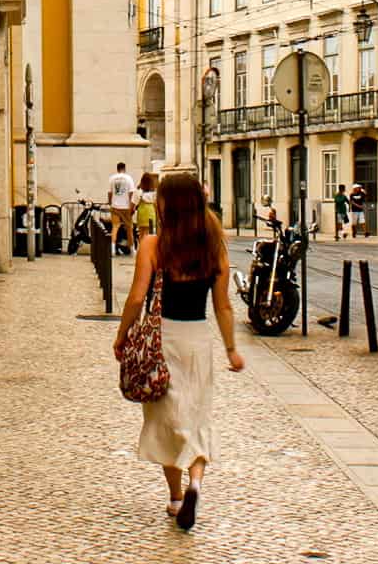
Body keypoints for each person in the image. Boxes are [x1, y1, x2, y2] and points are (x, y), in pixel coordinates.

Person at [112, 171, 244, 531]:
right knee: (196, 417)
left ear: (169, 206)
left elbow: (137, 297)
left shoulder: (153, 245)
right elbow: (223, 306)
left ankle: (175, 498)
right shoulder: (214, 248)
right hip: (198, 340)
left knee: (166, 420)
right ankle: (195, 483)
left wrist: (123, 335)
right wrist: (231, 349)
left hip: (163, 338)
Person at [108, 162, 137, 255]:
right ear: (124, 169)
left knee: (115, 227)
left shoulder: (112, 178)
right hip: (126, 207)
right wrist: (131, 205)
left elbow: (110, 193)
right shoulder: (129, 178)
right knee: (129, 228)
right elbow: (131, 192)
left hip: (115, 206)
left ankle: (112, 249)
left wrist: (110, 202)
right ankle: (132, 249)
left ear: (117, 169)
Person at [134, 171, 159, 243]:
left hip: (141, 214)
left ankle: (141, 247)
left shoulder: (139, 192)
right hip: (151, 214)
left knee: (141, 234)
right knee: (149, 234)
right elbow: (156, 205)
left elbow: (135, 204)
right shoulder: (154, 193)